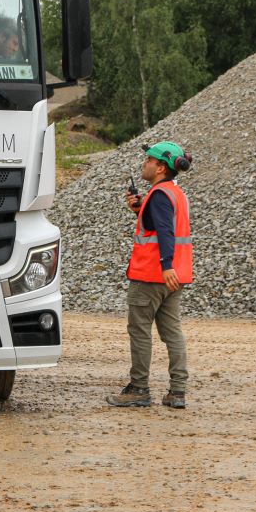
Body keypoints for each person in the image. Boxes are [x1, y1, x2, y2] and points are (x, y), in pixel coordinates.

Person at [107, 141, 193, 410]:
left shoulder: (159, 196)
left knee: (140, 331)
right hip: (175, 278)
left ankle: (139, 388)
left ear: (159, 167)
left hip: (152, 276)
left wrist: (165, 265)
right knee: (172, 332)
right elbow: (161, 227)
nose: (144, 163)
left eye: (148, 160)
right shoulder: (173, 193)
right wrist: (139, 210)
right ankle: (177, 392)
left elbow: (166, 233)